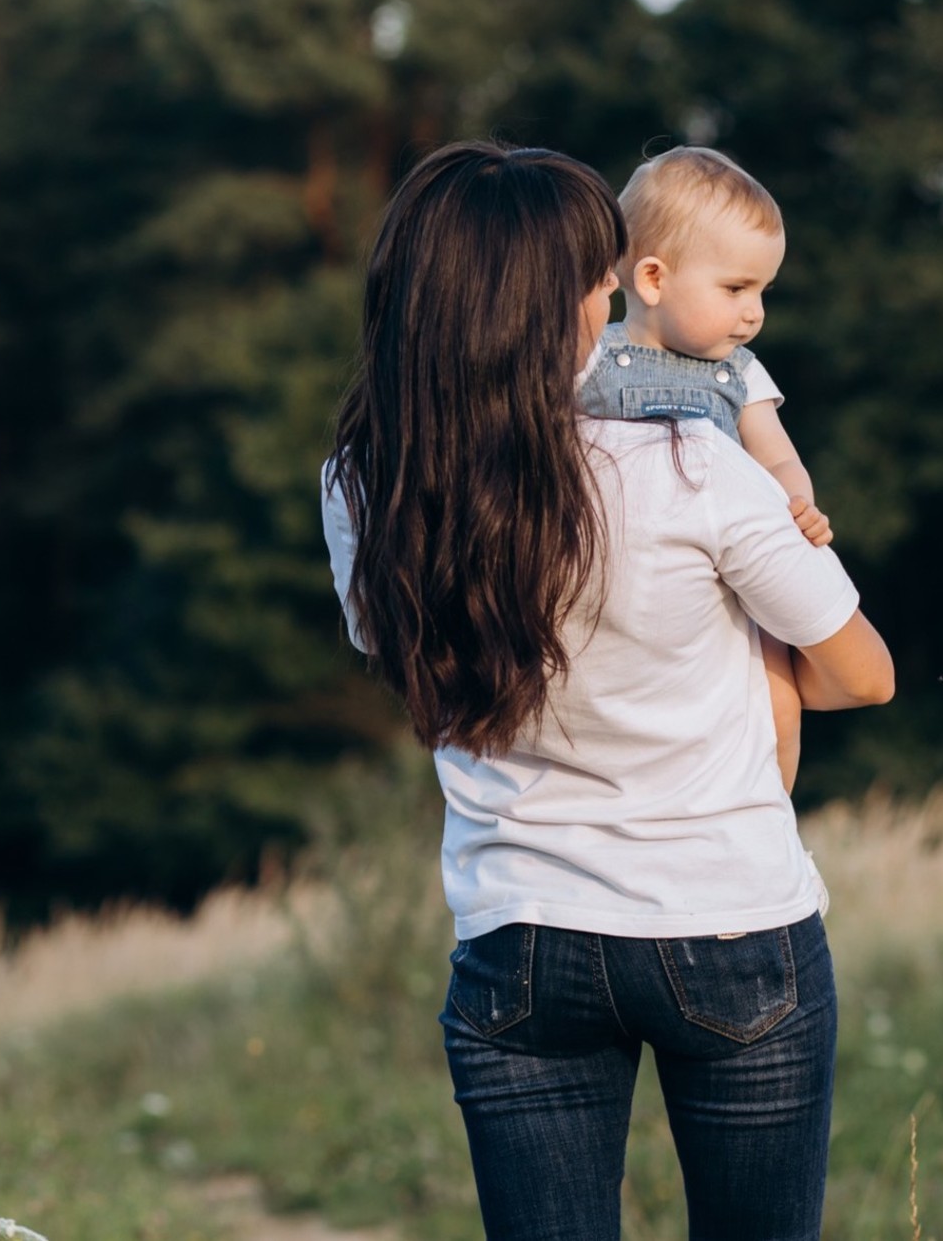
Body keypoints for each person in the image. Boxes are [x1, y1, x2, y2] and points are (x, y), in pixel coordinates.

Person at [320, 140, 894, 1241]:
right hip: (729, 919)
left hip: (519, 932)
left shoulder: (366, 484)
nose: (608, 293)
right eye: (595, 276)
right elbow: (863, 674)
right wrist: (738, 668)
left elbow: (422, 680)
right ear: (551, 304)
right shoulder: (691, 462)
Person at [578, 145, 822, 793]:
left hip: (732, 570)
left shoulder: (739, 372)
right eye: (736, 288)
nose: (755, 312)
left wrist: (796, 502)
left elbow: (776, 455)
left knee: (778, 700)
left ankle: (766, 817)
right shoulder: (590, 358)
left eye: (763, 290)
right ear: (654, 279)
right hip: (625, 574)